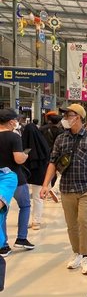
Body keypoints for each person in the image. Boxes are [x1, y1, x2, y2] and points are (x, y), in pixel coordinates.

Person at [40, 104, 87, 275]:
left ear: (77, 117)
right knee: (71, 225)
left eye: (67, 115)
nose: (64, 119)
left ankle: (86, 256)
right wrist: (45, 184)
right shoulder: (61, 139)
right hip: (67, 188)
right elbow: (53, 162)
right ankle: (77, 253)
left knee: (84, 220)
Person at [0, 108, 34, 256]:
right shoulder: (14, 137)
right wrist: (25, 155)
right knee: (25, 206)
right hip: (15, 178)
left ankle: (3, 244)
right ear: (10, 121)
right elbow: (18, 159)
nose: (17, 122)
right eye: (16, 119)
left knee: (3, 211)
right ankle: (21, 238)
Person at [22, 123, 50, 230]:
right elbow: (47, 155)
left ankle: (27, 221)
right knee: (38, 198)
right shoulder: (42, 142)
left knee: (25, 201)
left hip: (25, 175)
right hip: (39, 174)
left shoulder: (22, 142)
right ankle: (36, 222)